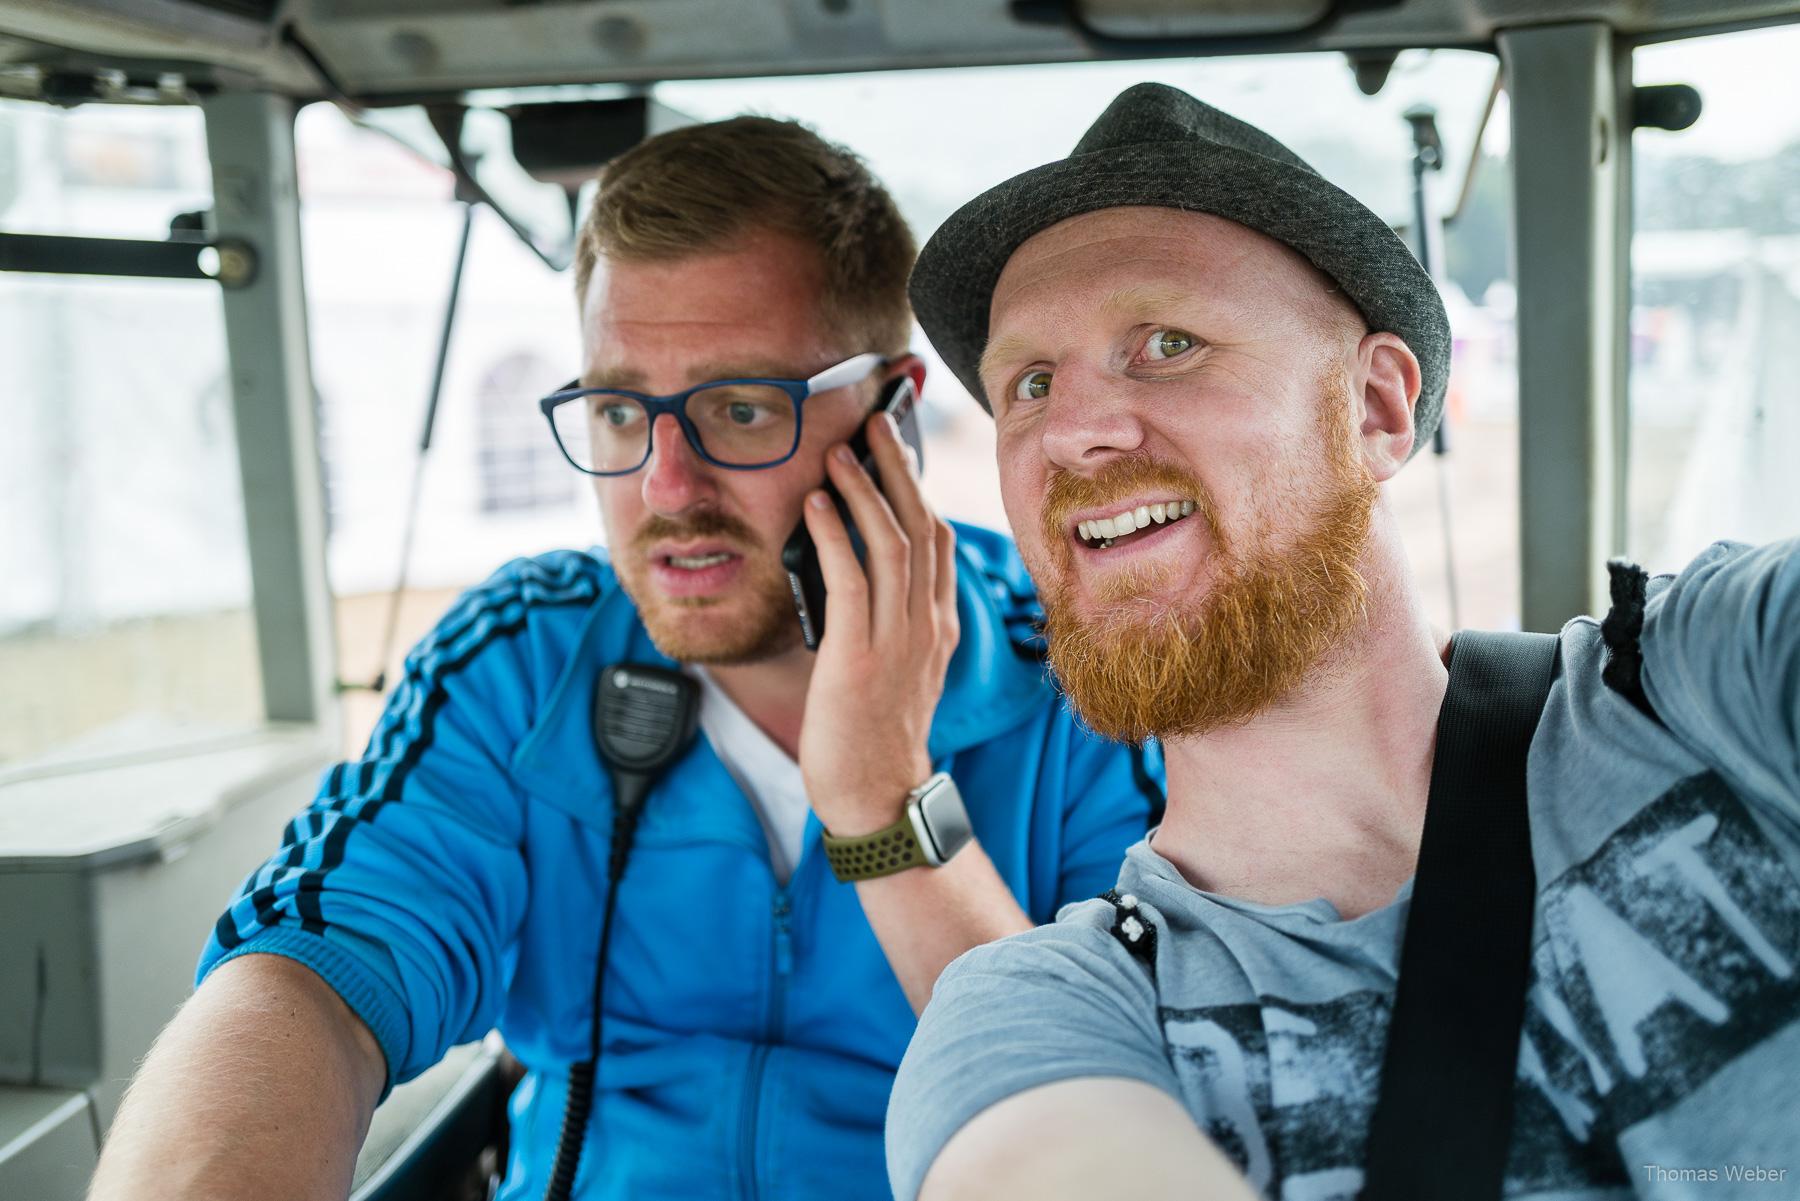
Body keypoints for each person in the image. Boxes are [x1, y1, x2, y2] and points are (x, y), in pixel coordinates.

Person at [87, 116, 1158, 1201]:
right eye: (617, 411)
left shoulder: (1087, 667)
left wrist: (884, 797)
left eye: (739, 410)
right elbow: (312, 973)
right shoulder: (523, 659)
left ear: (892, 410)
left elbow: (1128, 1128)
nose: (665, 488)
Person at [884, 83, 1800, 1201]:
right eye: (1028, 384)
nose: (1073, 430)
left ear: (1377, 407)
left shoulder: (1712, 678)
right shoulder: (1048, 1012)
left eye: (1167, 343)